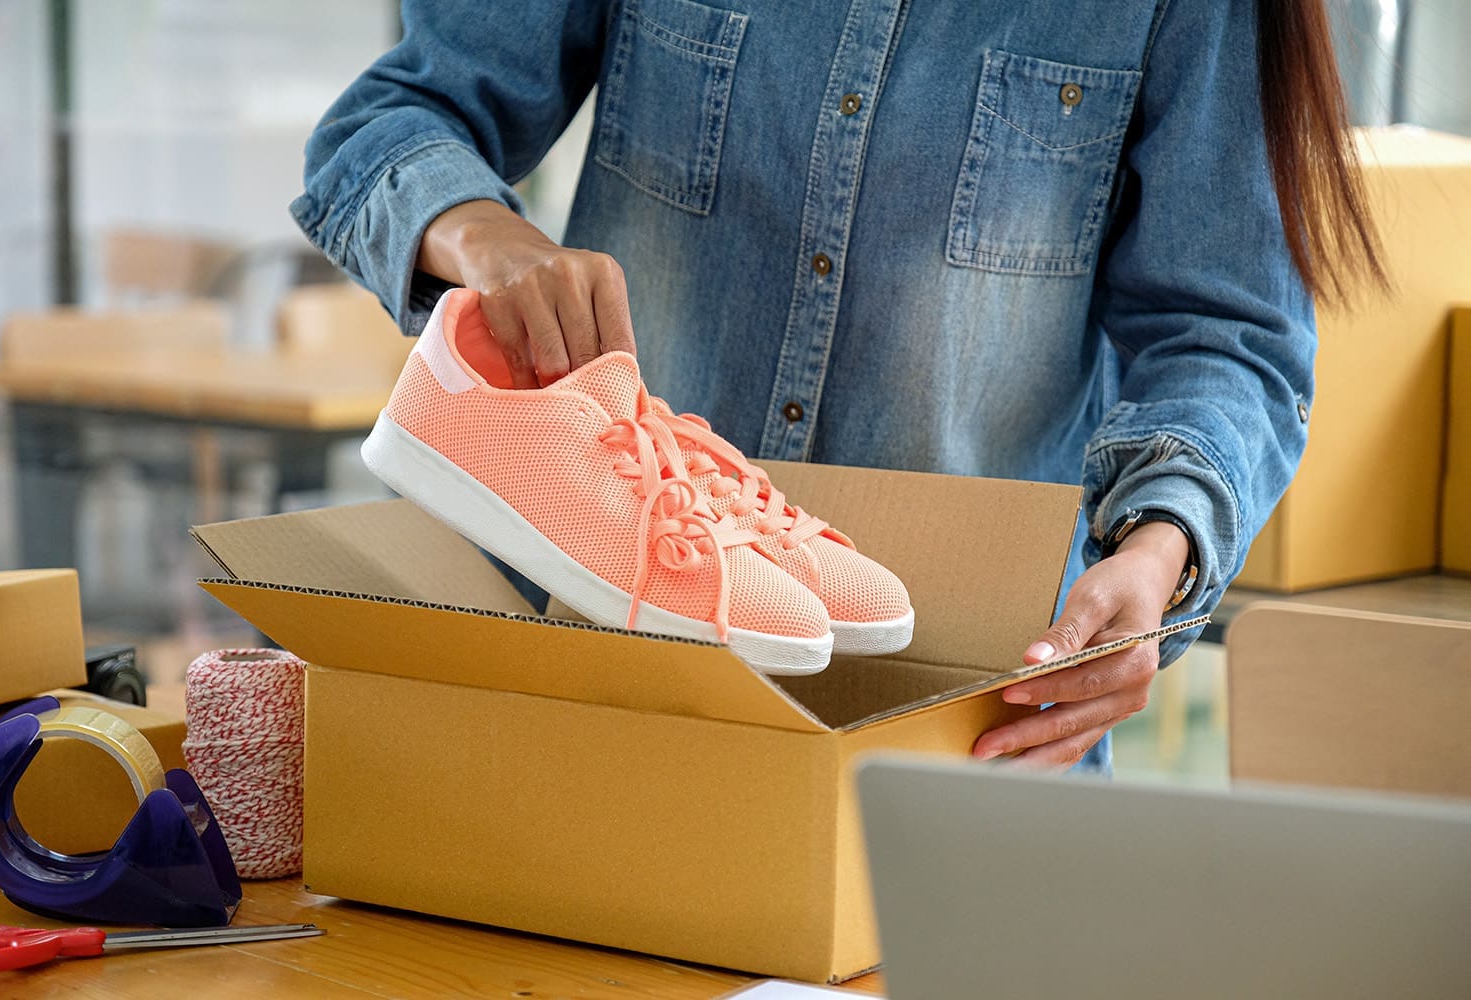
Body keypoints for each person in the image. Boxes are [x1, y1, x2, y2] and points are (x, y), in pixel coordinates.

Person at [291, 0, 1382, 772]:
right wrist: (485, 236)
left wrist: (1155, 553)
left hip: (955, 722)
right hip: (599, 689)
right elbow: (390, 122)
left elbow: (1227, 331)